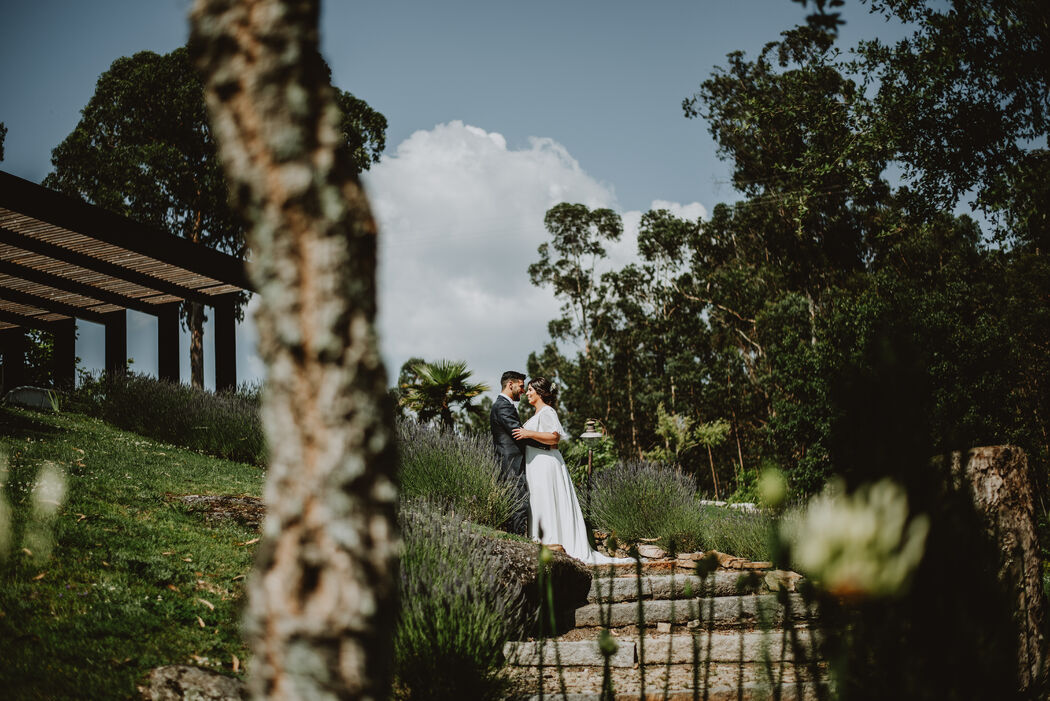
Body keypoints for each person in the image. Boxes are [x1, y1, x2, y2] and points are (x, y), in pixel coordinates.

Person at [513, 377, 633, 565]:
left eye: (530, 390)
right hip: (536, 465)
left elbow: (554, 438)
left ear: (540, 392)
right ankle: (544, 544)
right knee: (541, 503)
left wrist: (528, 433)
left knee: (548, 502)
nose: (527, 393)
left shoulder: (547, 412)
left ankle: (555, 543)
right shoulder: (538, 413)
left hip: (546, 465)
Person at [489, 370, 543, 536]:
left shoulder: (503, 405)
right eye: (520, 386)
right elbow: (518, 434)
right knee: (519, 504)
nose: (522, 390)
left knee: (515, 503)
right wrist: (547, 443)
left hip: (512, 463)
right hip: (511, 464)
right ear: (510, 384)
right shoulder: (502, 406)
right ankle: (517, 540)